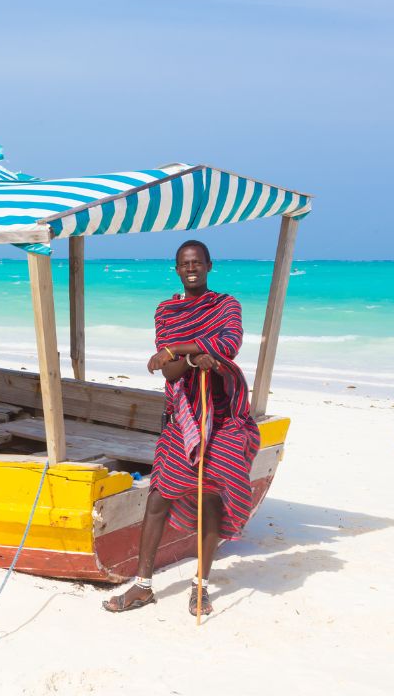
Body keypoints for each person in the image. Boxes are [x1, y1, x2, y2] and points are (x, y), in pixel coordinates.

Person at [103, 239, 260, 617]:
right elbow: (169, 370)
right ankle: (142, 587)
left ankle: (200, 586)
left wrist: (178, 350)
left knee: (211, 498)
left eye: (197, 262)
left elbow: (229, 345)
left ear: (209, 265)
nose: (191, 268)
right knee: (158, 499)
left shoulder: (227, 305)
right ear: (176, 269)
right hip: (185, 417)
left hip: (222, 418)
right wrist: (191, 358)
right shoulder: (166, 310)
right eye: (184, 263)